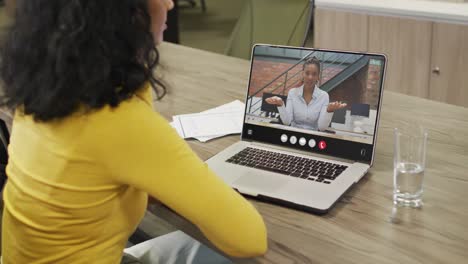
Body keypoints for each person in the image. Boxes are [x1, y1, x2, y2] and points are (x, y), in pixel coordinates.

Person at [0, 0, 267, 263]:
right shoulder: (119, 122)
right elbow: (250, 239)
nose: (171, 5)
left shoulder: (41, 95)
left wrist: (136, 60)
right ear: (124, 13)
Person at [265, 57, 347, 131]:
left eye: (314, 74)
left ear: (318, 76)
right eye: (307, 73)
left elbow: (321, 128)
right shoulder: (293, 93)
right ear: (302, 74)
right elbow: (287, 122)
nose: (310, 77)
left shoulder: (324, 96)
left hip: (313, 137)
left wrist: (329, 110)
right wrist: (280, 104)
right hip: (293, 134)